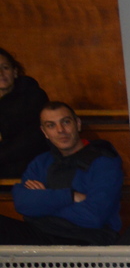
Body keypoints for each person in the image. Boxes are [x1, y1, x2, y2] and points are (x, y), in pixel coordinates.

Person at [1, 102, 123, 245]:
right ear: (44, 132)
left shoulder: (104, 162)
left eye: (66, 122)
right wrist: (70, 196)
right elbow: (22, 202)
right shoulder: (41, 162)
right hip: (43, 233)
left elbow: (94, 216)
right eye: (51, 125)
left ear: (78, 124)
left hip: (85, 238)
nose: (60, 130)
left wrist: (42, 205)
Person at [0, 48, 49, 178]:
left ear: (15, 72)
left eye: (5, 68)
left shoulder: (32, 96)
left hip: (27, 163)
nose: (1, 73)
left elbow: (33, 138)